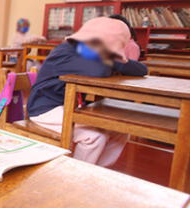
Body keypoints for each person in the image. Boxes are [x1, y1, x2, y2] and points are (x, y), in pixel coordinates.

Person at [27, 17, 148, 167]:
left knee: (120, 129)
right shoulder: (68, 50)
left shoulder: (90, 50)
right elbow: (100, 70)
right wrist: (114, 59)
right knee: (93, 137)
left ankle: (96, 171)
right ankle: (76, 176)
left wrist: (113, 58)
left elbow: (141, 69)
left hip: (71, 107)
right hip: (45, 110)